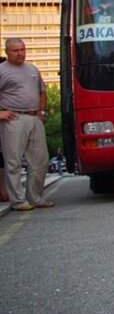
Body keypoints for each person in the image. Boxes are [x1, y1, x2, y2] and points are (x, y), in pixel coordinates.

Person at [0, 38, 54, 211]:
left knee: (40, 159)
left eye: (22, 49)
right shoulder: (2, 71)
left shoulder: (32, 69)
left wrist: (42, 112)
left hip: (34, 117)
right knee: (13, 161)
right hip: (13, 119)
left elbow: (42, 91)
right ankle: (17, 200)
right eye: (16, 50)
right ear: (7, 52)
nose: (20, 53)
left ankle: (36, 197)